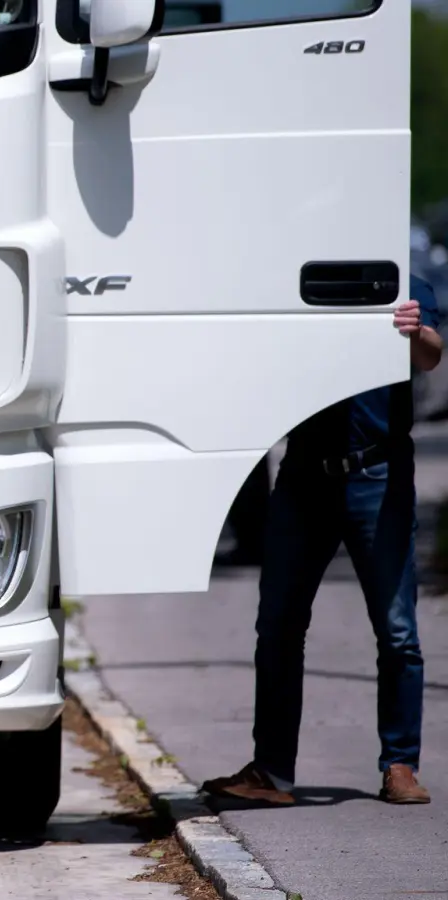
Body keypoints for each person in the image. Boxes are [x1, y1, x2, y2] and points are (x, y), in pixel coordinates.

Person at [202, 274, 442, 807]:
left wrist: (415, 330)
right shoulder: (296, 270)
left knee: (397, 630)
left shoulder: (398, 272)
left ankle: (400, 765)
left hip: (377, 475)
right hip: (303, 476)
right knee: (279, 626)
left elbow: (431, 355)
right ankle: (273, 774)